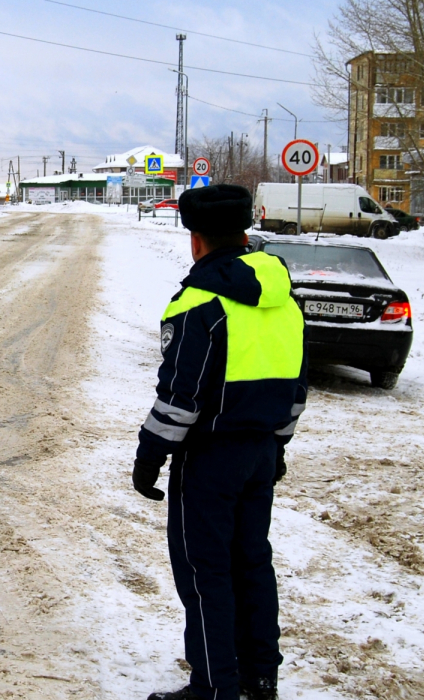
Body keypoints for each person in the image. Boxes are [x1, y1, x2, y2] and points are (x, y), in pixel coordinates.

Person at [134, 184, 308, 700]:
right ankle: (260, 677)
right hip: (260, 454)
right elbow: (297, 386)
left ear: (196, 240)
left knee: (205, 571)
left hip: (209, 458)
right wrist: (277, 446)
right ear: (246, 233)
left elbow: (181, 398)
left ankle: (214, 686)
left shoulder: (200, 302)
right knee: (252, 563)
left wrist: (149, 457)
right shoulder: (285, 299)